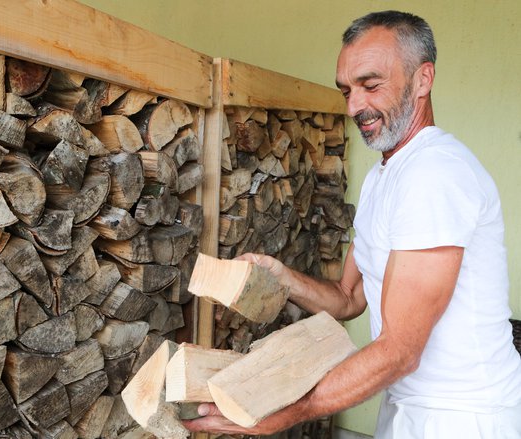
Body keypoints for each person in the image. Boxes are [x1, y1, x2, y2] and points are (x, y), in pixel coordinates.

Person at [184, 10, 521, 438]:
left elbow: (399, 351)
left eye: (371, 84)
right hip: (406, 407)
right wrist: (284, 279)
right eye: (346, 89)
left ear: (423, 79)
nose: (354, 106)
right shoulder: (385, 176)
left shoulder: (437, 173)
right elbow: (349, 297)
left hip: (463, 417)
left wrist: (279, 413)